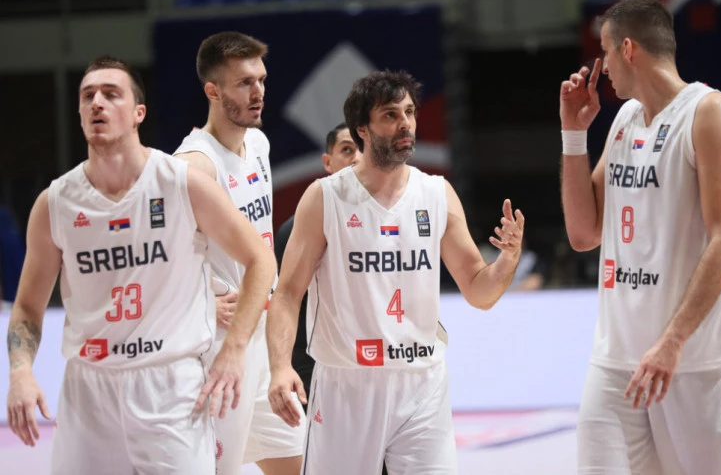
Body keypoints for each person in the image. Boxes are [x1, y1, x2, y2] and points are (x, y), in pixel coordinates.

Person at [5, 56, 276, 474]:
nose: (97, 103)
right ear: (79, 112)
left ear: (138, 113)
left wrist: (233, 350)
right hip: (88, 390)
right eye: (88, 96)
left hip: (171, 387)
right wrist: (21, 372)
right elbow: (27, 306)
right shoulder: (55, 203)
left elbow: (260, 259)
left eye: (111, 94)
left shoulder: (182, 182)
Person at [266, 70, 525, 474]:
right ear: (362, 129)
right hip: (347, 384)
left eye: (409, 112)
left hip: (421, 383)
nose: (405, 122)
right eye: (390, 114)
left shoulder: (437, 193)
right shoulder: (324, 198)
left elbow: (479, 291)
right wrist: (280, 367)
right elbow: (286, 294)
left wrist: (507, 259)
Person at [559, 0, 721, 474]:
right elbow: (584, 233)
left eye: (605, 52)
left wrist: (672, 341)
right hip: (617, 358)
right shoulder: (625, 120)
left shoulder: (710, 113)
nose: (603, 67)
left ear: (628, 48)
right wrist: (573, 134)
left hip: (699, 361)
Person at [174, 31, 304, 475]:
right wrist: (201, 304)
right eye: (245, 83)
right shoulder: (193, 166)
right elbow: (156, 261)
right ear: (213, 91)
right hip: (219, 343)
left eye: (261, 80)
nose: (258, 92)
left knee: (297, 463)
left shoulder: (259, 144)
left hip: (263, 335)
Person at [273, 122, 361, 410]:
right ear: (327, 162)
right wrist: (283, 367)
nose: (357, 158)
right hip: (318, 368)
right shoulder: (296, 230)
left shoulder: (393, 221)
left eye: (363, 149)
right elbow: (285, 301)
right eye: (346, 150)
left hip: (380, 366)